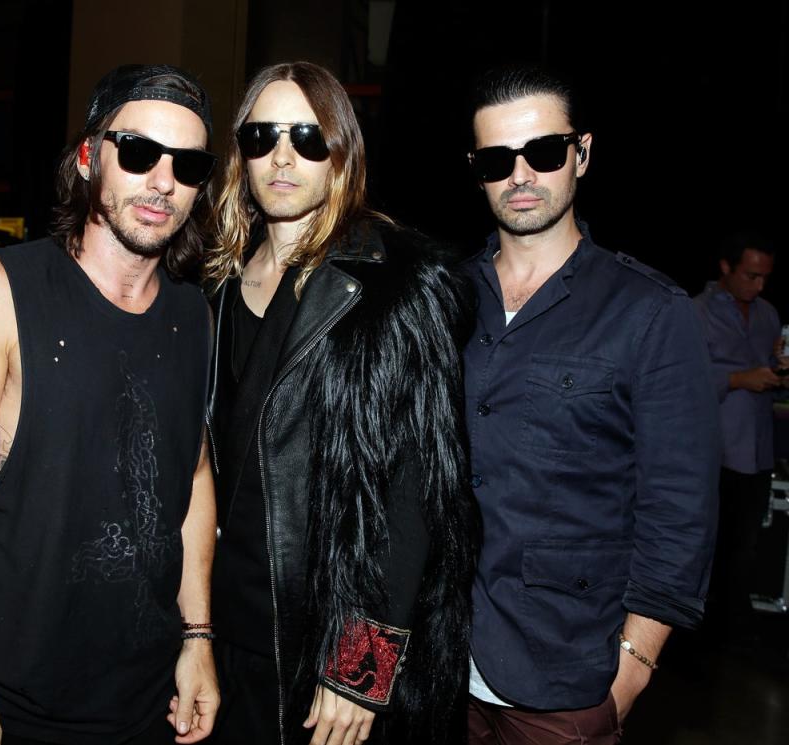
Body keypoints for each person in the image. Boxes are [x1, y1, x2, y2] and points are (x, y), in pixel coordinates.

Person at [0, 64, 220, 745]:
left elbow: (192, 475)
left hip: (148, 704)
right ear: (88, 158)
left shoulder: (193, 315)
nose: (162, 181)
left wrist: (197, 637)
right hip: (11, 706)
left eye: (188, 164)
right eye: (138, 153)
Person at [204, 61, 476, 745]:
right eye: (263, 136)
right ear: (241, 155)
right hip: (222, 630)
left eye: (308, 136)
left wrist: (362, 668)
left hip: (323, 642)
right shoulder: (209, 288)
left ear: (341, 154)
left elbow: (418, 488)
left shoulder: (394, 286)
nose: (284, 155)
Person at [459, 65, 720, 743]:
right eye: (497, 160)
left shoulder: (652, 312)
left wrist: (630, 673)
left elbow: (680, 508)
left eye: (543, 152)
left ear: (582, 153)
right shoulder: (445, 298)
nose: (521, 175)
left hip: (565, 682)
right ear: (477, 171)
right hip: (439, 666)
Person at [693, 232, 785, 643]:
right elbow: (681, 382)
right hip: (713, 453)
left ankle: (734, 637)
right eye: (751, 275)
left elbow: (769, 377)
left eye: (765, 277)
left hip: (758, 450)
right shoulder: (696, 312)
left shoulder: (768, 314)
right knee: (706, 548)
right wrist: (736, 378)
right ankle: (696, 638)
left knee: (745, 547)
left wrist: (778, 372)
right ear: (726, 268)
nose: (759, 286)